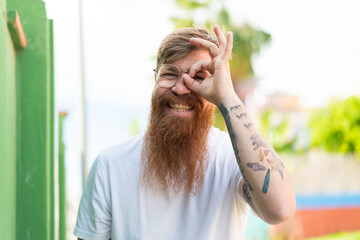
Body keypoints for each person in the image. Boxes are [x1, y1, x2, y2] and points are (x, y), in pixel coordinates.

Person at [74, 25, 296, 240]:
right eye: (169, 74)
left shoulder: (232, 157)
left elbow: (280, 209)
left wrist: (228, 96)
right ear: (155, 77)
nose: (180, 88)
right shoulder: (110, 164)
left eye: (198, 78)